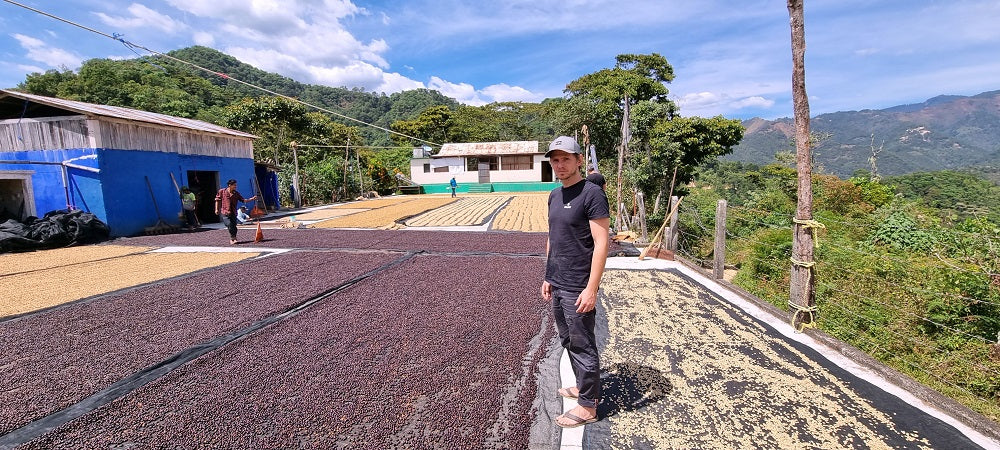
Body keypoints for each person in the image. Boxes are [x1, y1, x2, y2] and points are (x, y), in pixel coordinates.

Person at [540, 135, 610, 429]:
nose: (560, 165)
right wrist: (547, 275)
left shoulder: (592, 194)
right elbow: (553, 238)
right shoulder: (554, 195)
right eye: (555, 160)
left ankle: (588, 406)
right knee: (568, 339)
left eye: (566, 159)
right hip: (558, 282)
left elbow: (602, 242)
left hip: (579, 286)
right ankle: (584, 387)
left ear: (579, 160)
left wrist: (591, 289)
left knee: (583, 344)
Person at [214, 179, 257, 245]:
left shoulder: (236, 194)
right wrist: (216, 209)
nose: (235, 186)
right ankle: (232, 238)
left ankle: (234, 238)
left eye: (236, 185)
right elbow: (217, 200)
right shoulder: (222, 191)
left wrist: (252, 199)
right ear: (229, 185)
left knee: (234, 226)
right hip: (225, 212)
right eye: (234, 185)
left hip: (233, 212)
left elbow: (243, 200)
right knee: (229, 224)